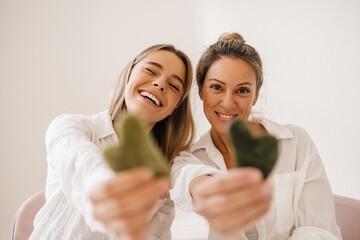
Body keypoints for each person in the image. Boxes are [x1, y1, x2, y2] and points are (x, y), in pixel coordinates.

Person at [170, 32, 342, 239]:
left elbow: (320, 229)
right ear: (201, 91)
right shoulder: (189, 160)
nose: (227, 103)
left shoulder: (297, 142)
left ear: (255, 95)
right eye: (216, 87)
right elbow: (186, 177)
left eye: (242, 90)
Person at [29, 44, 195, 240]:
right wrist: (109, 190)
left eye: (174, 86)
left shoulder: (165, 171)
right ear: (130, 74)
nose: (160, 84)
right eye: (151, 70)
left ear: (175, 107)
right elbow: (79, 161)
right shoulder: (70, 127)